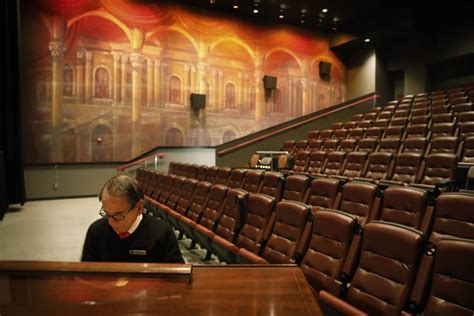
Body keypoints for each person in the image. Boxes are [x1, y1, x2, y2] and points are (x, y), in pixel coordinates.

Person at [81, 174, 184, 263]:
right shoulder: (96, 231)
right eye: (107, 214)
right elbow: (86, 273)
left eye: (118, 216)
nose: (111, 222)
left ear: (139, 208)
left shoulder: (162, 233)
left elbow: (178, 278)